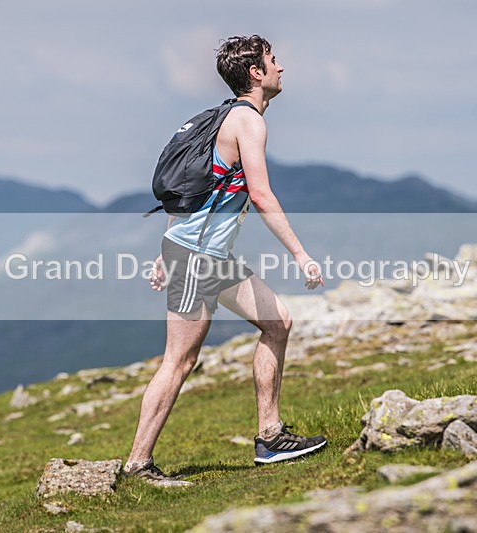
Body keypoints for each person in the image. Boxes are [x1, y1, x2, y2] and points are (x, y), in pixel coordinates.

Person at [123, 35, 326, 487]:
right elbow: (261, 194)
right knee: (179, 360)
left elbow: (195, 190)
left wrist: (166, 248)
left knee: (278, 322)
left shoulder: (224, 116)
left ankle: (270, 436)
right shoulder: (247, 121)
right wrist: (300, 254)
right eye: (273, 60)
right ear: (256, 72)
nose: (280, 68)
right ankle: (138, 464)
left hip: (209, 257)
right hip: (197, 259)